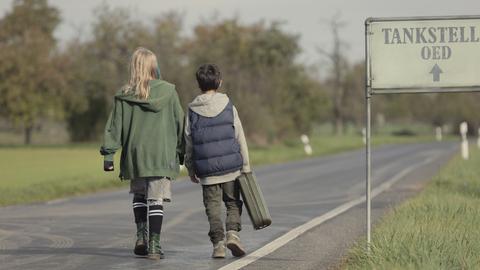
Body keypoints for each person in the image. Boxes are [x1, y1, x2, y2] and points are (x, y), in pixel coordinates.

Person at [100, 47, 184, 260]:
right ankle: (154, 246)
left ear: (133, 67)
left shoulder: (124, 95)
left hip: (135, 157)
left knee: (139, 196)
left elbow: (114, 126)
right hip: (160, 156)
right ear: (154, 66)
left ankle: (141, 237)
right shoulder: (168, 91)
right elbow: (180, 124)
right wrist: (182, 153)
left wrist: (109, 156)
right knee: (156, 200)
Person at [184, 63, 251, 258]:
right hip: (231, 167)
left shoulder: (192, 110)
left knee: (212, 207)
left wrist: (190, 168)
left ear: (199, 85)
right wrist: (246, 164)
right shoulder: (229, 105)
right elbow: (240, 136)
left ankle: (218, 245)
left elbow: (188, 143)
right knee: (232, 203)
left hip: (206, 171)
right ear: (219, 82)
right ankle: (232, 234)